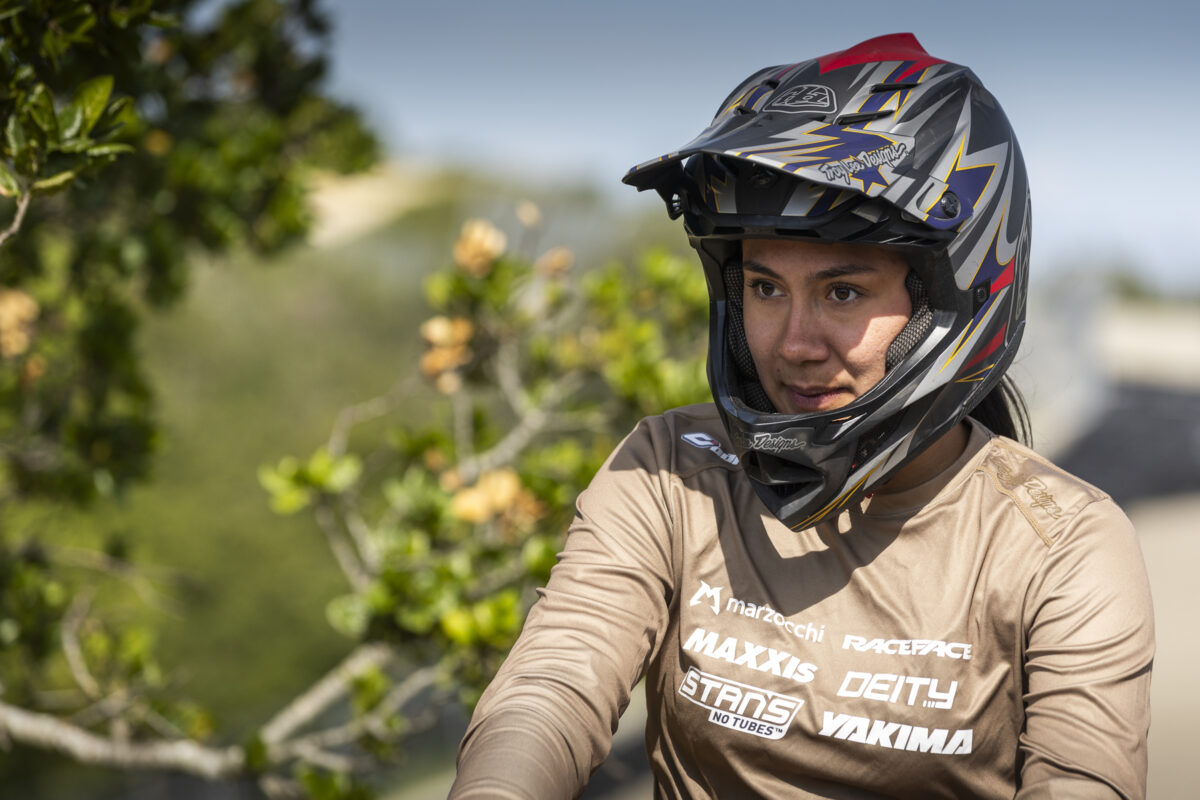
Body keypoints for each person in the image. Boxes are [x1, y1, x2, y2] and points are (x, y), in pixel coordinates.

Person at [449, 32, 1153, 799]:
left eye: (843, 292)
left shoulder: (1059, 544)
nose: (794, 344)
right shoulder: (672, 470)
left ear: (954, 301)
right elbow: (550, 689)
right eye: (764, 288)